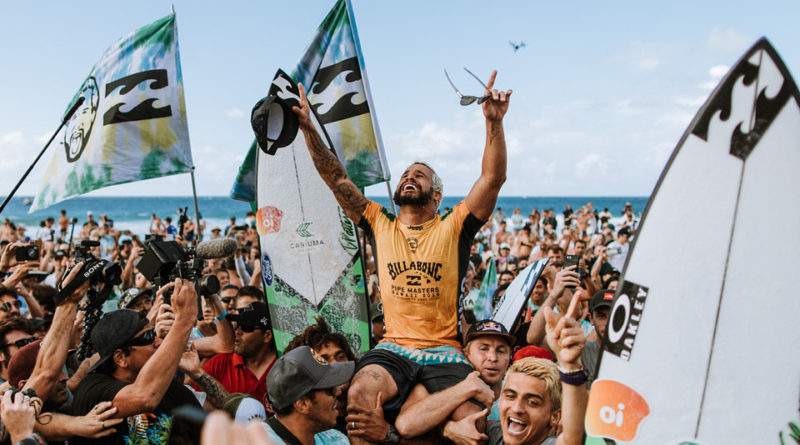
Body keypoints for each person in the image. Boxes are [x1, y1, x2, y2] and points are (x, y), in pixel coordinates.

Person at [293, 69, 511, 442]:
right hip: (394, 348)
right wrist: (310, 131)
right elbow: (337, 180)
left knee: (473, 418)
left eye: (421, 175)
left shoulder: (453, 225)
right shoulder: (380, 223)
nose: (410, 177)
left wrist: (493, 123)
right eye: (407, 173)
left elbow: (491, 180)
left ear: (437, 195)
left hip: (445, 350)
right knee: (360, 396)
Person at [70, 279, 202, 445]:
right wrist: (185, 319)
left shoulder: (168, 388)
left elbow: (204, 432)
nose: (159, 342)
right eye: (147, 338)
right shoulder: (93, 389)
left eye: (153, 333)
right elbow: (144, 397)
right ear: (121, 358)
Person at [487, 292, 588, 445]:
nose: (517, 408)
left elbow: (571, 439)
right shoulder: (493, 434)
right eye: (510, 396)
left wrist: (570, 367)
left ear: (555, 417)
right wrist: (449, 427)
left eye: (533, 402)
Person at [395, 319, 514, 440]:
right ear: (466, 354)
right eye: (483, 349)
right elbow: (406, 425)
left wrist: (446, 426)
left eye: (501, 351)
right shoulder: (438, 383)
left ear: (510, 357)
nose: (493, 358)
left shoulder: (518, 392)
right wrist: (465, 389)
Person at [261, 346, 353, 445]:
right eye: (330, 390)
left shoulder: (336, 440)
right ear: (302, 404)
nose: (337, 392)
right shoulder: (256, 440)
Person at [204, 302, 277, 414]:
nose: (237, 332)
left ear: (267, 335)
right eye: (237, 325)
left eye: (247, 327)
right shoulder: (219, 363)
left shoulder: (285, 370)